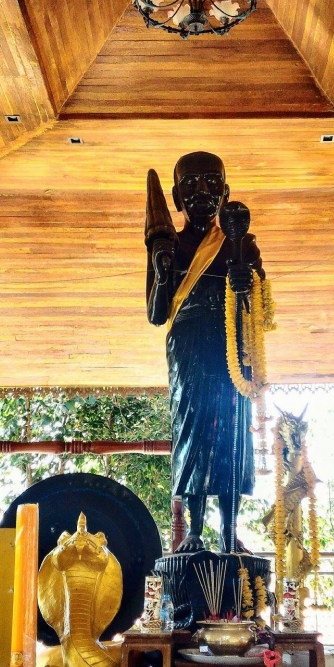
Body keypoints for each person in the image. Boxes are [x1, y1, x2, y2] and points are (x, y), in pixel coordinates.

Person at [145, 151, 265, 552]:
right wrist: (163, 272)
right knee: (193, 429)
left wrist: (247, 284)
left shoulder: (241, 244)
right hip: (189, 341)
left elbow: (261, 308)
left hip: (231, 342)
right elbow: (156, 314)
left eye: (212, 182)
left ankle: (229, 531)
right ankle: (194, 530)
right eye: (190, 184)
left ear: (225, 193)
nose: (201, 191)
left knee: (232, 430)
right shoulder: (168, 244)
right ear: (176, 197)